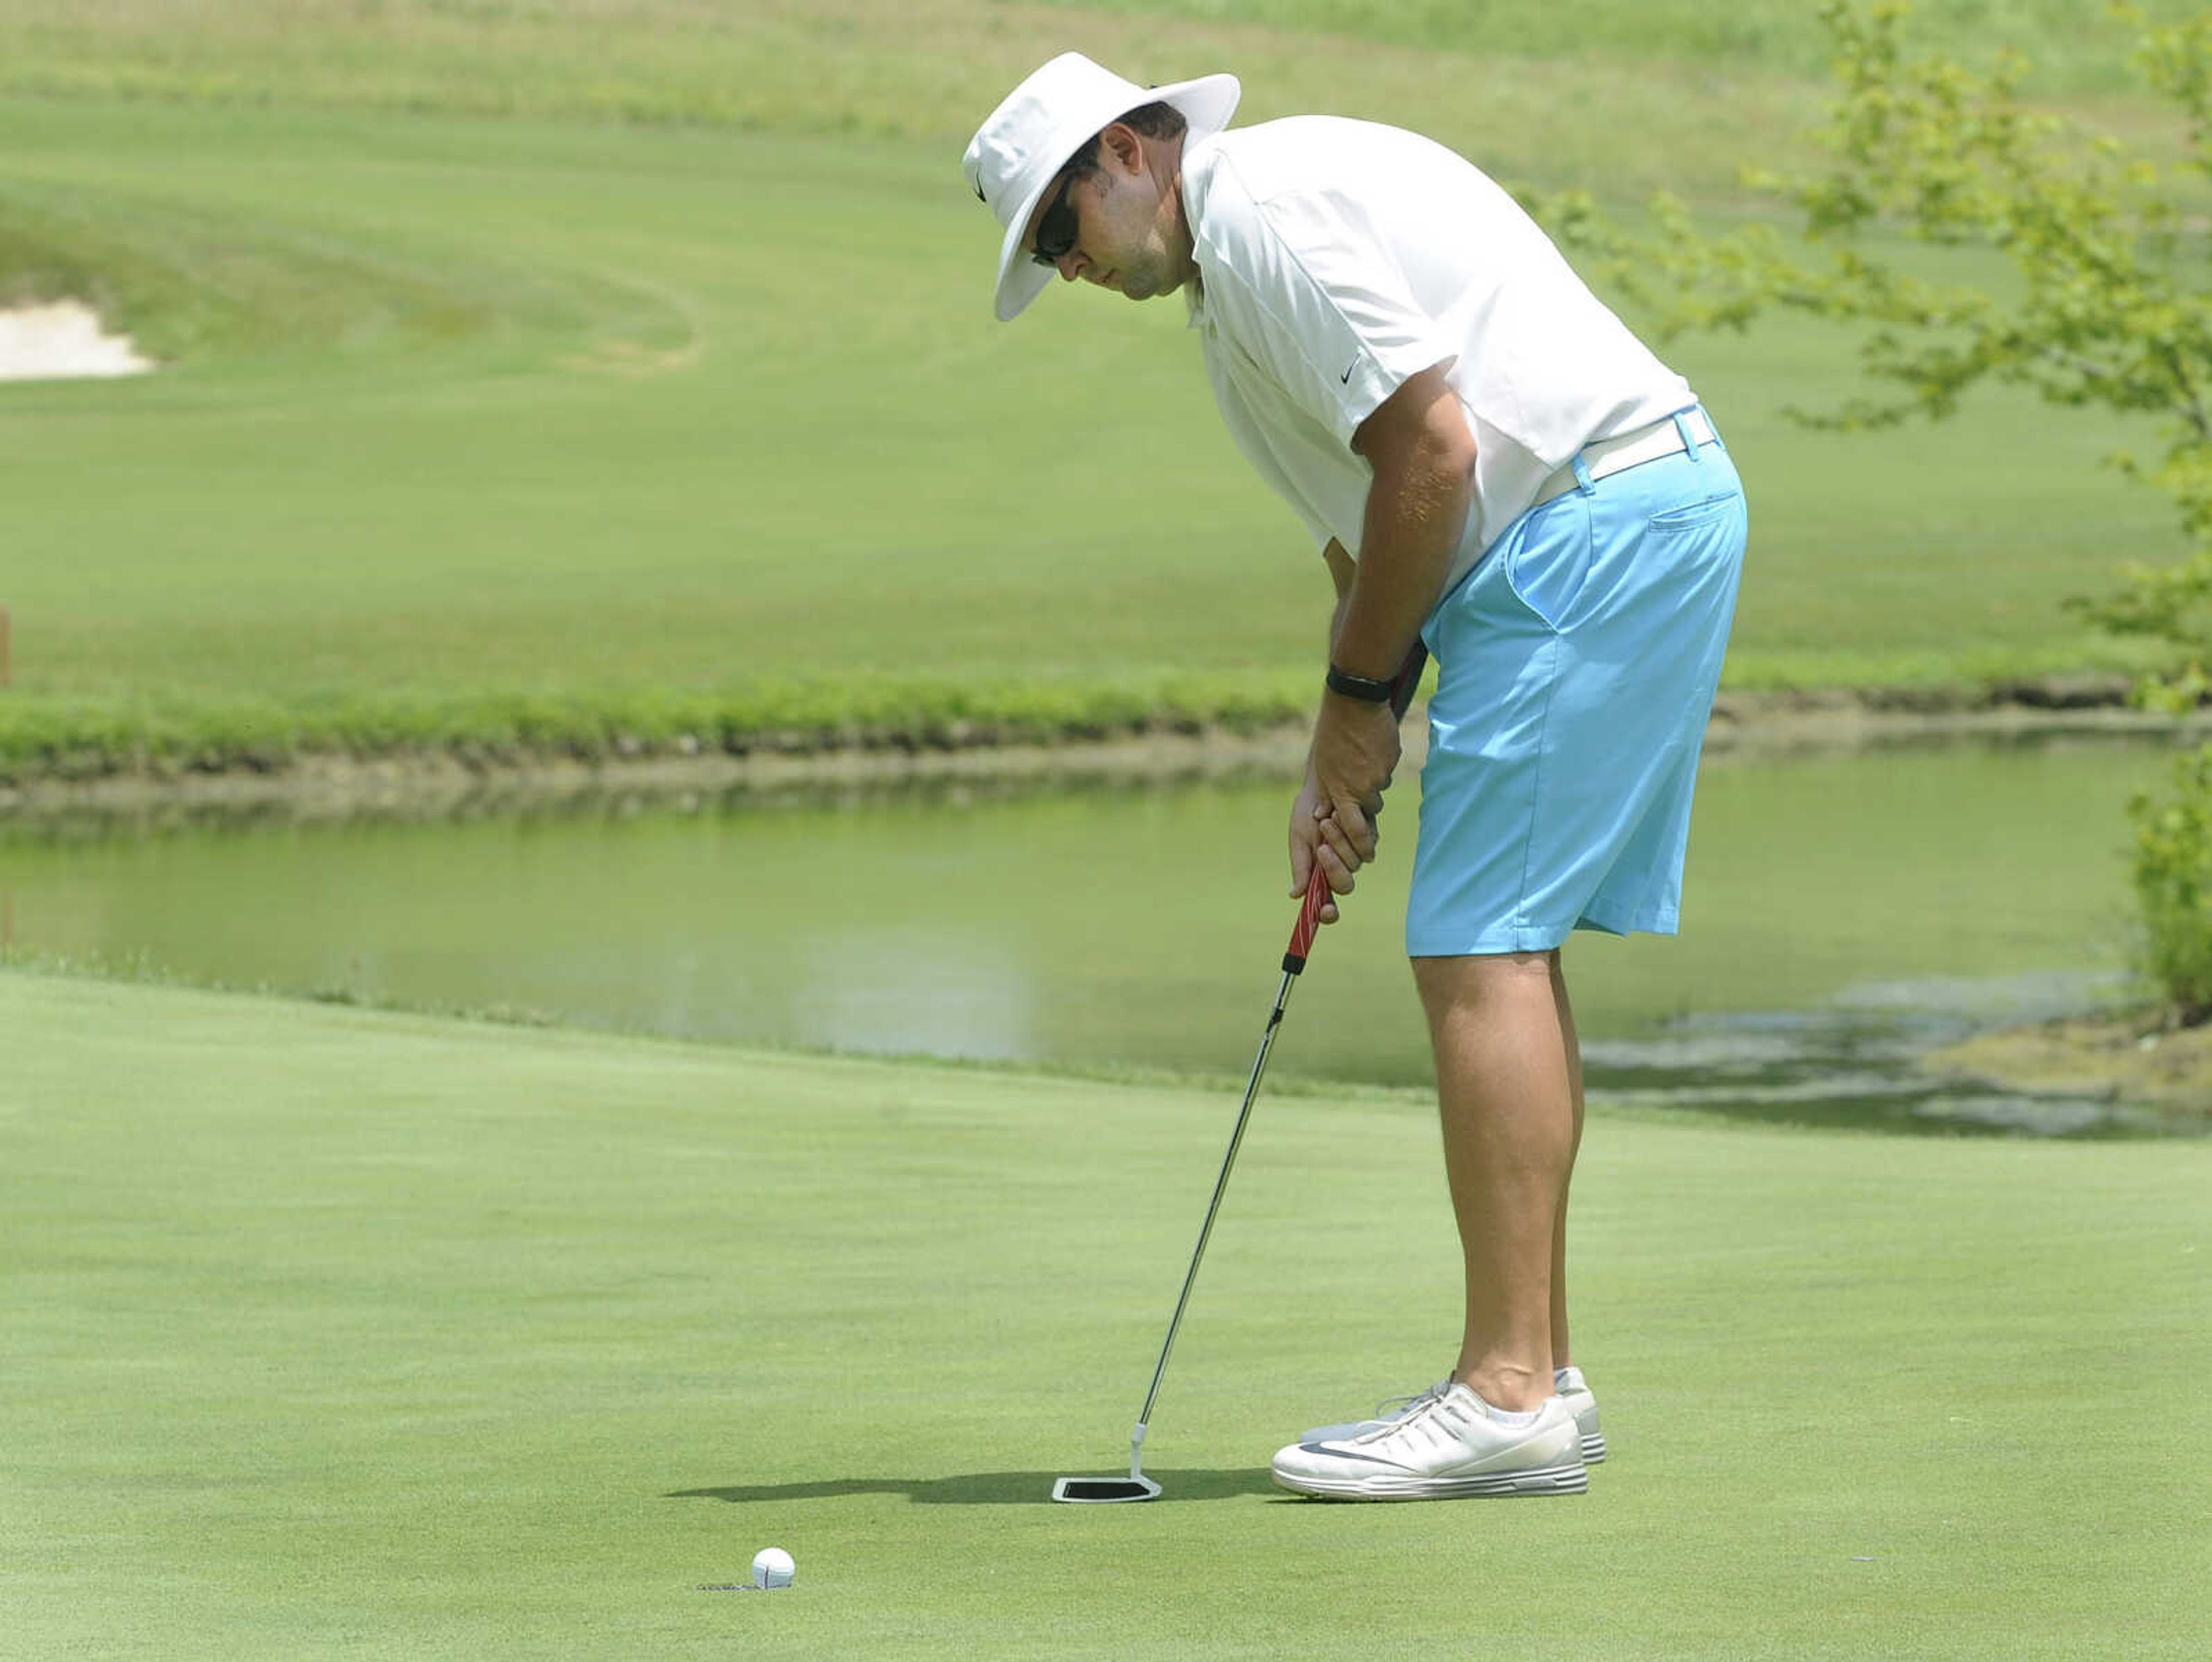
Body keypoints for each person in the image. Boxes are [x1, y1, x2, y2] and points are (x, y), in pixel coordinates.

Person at [964, 54, 1747, 1501]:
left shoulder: (1265, 210)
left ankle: (1506, 1393)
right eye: (1039, 255)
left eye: (1056, 229)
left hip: (1590, 522)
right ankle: (1544, 1380)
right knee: (1497, 943)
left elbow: (1434, 456)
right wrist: (1347, 741)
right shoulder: (1231, 291)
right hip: (1590, 533)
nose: (1063, 266)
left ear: (1130, 151)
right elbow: (1366, 531)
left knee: (1477, 948)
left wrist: (1354, 707)